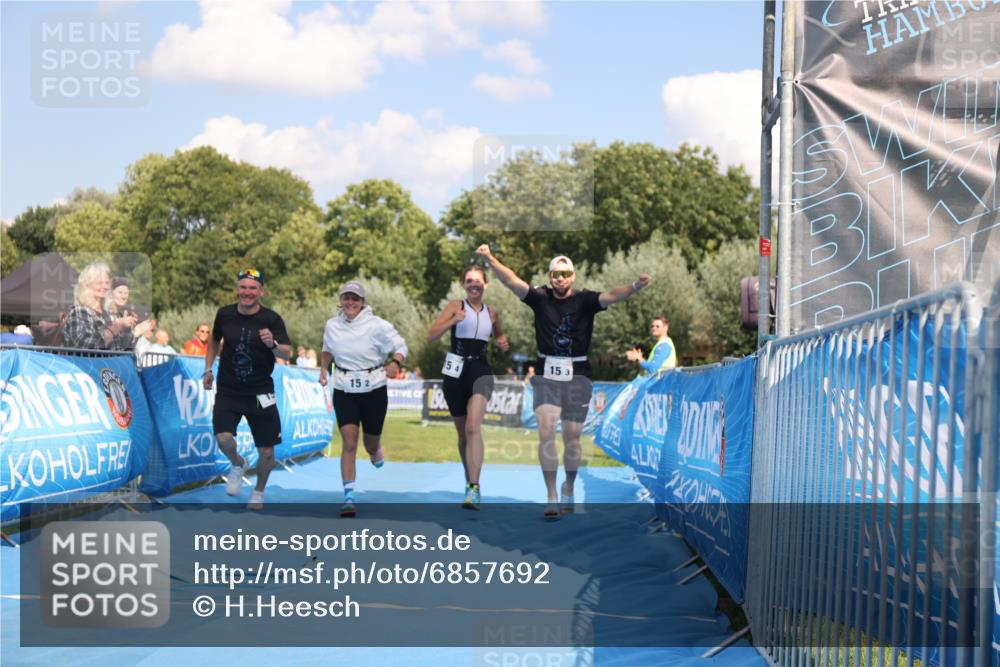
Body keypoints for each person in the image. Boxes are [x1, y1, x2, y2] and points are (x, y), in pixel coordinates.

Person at [476, 245, 650, 518]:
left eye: (565, 273)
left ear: (573, 276)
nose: (560, 278)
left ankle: (568, 485)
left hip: (578, 375)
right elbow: (511, 280)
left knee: (572, 439)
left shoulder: (586, 300)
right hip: (546, 374)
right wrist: (489, 259)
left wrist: (634, 286)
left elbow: (612, 296)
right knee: (545, 432)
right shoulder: (539, 297)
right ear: (550, 276)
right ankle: (551, 495)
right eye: (555, 274)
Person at [203, 268, 291, 510]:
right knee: (223, 438)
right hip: (229, 390)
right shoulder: (225, 314)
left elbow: (287, 352)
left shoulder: (272, 319)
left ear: (261, 291)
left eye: (252, 288)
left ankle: (259, 491)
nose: (247, 292)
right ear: (237, 290)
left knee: (266, 452)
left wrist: (272, 344)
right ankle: (237, 462)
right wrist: (208, 369)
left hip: (261, 392)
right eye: (243, 287)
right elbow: (214, 340)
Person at [319, 281, 407, 517]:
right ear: (341, 300)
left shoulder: (377, 325)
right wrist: (323, 371)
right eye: (346, 298)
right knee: (349, 441)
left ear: (363, 302)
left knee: (369, 442)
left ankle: (375, 448)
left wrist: (396, 363)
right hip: (345, 388)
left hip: (374, 388)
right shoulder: (332, 325)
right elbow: (327, 349)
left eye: (355, 299)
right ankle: (348, 497)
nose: (350, 302)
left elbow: (400, 345)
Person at [426, 266, 510, 510]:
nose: (474, 284)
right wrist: (453, 320)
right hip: (455, 371)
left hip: (480, 371)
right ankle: (469, 481)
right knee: (463, 434)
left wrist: (502, 341)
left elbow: (499, 333)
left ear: (486, 284)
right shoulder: (456, 306)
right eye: (469, 281)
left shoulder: (492, 312)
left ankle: (474, 487)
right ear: (464, 285)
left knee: (473, 427)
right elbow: (430, 336)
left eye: (478, 281)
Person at [62, 262, 138, 350]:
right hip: (87, 364)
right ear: (86, 285)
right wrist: (116, 327)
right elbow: (85, 345)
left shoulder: (109, 313)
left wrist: (126, 330)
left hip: (111, 363)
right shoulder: (79, 312)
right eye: (99, 283)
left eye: (106, 282)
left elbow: (120, 347)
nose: (104, 286)